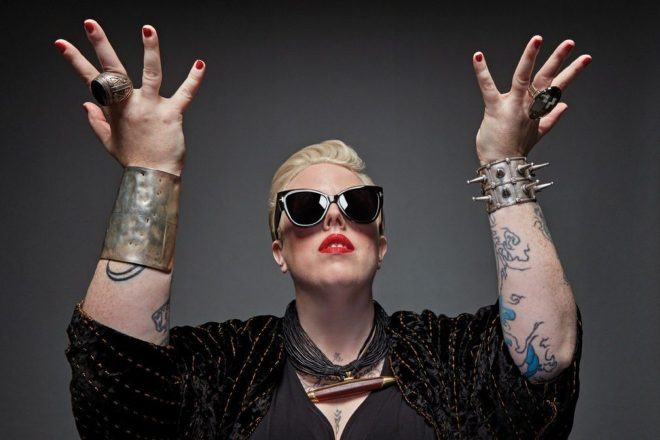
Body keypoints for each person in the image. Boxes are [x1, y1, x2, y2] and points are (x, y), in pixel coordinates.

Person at [58, 18, 591, 439]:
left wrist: (504, 161)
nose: (335, 216)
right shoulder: (226, 366)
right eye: (305, 207)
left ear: (381, 245)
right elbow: (117, 386)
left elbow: (544, 362)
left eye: (357, 204)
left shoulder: (449, 358)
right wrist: (151, 170)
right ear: (278, 250)